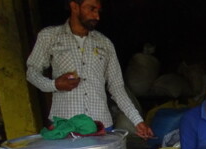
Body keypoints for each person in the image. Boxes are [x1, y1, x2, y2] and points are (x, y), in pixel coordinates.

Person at [26, 0, 153, 139]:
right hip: (65, 127)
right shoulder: (49, 36)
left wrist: (138, 121)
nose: (97, 16)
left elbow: (116, 87)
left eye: (98, 11)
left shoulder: (105, 44)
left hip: (100, 126)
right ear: (74, 6)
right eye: (91, 9)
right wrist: (54, 85)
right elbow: (32, 72)